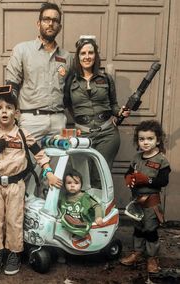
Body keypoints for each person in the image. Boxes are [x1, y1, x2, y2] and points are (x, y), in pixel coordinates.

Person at [0, 87, 62, 277]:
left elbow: (40, 154)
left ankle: (14, 254)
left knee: (14, 221)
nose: (4, 111)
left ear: (16, 112)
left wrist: (49, 173)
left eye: (9, 107)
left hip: (16, 185)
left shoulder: (23, 135)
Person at [64, 35, 130, 185]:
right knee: (80, 178)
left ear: (96, 55)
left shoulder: (106, 78)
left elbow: (113, 104)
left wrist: (120, 112)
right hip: (83, 135)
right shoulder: (70, 80)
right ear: (78, 56)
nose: (87, 56)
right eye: (83, 53)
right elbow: (67, 104)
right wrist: (80, 120)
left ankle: (101, 208)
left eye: (91, 52)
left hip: (107, 134)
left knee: (99, 177)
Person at [5, 2, 73, 141]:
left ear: (59, 27)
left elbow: (69, 91)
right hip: (31, 120)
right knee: (28, 162)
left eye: (55, 21)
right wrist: (13, 117)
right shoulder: (22, 50)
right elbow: (11, 86)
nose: (50, 24)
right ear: (38, 23)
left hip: (58, 121)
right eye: (46, 19)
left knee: (57, 162)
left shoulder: (67, 57)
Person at [120, 120, 171, 274]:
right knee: (138, 228)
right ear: (138, 141)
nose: (146, 142)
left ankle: (152, 258)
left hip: (151, 202)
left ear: (158, 140)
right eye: (142, 139)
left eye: (150, 139)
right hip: (136, 201)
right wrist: (128, 178)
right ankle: (137, 252)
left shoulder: (161, 160)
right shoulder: (136, 157)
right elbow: (129, 172)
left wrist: (147, 180)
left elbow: (163, 181)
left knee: (150, 230)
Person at [59, 168, 103, 238]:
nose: (72, 185)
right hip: (66, 226)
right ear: (64, 185)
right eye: (69, 183)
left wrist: (98, 217)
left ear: (81, 185)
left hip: (83, 220)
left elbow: (96, 206)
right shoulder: (63, 198)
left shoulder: (85, 197)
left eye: (76, 183)